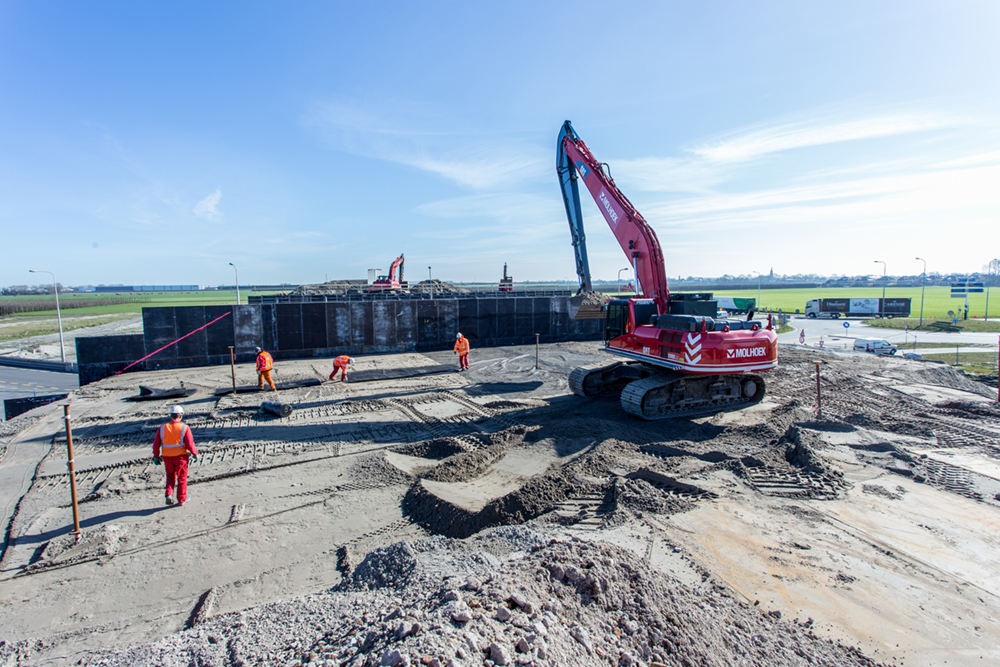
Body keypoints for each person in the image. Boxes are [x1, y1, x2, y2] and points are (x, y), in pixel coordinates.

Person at [152, 405, 198, 506]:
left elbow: (156, 444)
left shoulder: (162, 428)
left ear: (171, 416)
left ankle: (169, 494)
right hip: (181, 457)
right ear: (181, 416)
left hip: (167, 457)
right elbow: (190, 444)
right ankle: (182, 499)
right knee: (181, 478)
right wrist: (194, 454)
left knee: (170, 476)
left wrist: (156, 456)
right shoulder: (184, 427)